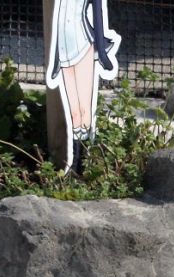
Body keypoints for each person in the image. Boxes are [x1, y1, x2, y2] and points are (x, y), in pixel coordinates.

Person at [45, 0, 121, 172]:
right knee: (74, 113)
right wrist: (55, 59)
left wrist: (102, 53)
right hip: (64, 49)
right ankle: (73, 164)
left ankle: (83, 164)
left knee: (84, 109)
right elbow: (59, 20)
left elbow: (98, 15)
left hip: (83, 43)